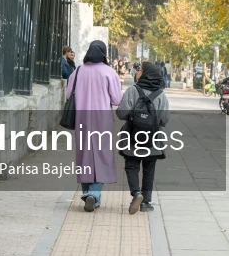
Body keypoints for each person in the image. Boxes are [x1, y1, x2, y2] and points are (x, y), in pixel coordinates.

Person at [65, 40, 123, 212]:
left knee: (84, 156)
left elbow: (68, 94)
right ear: (104, 53)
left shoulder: (78, 71)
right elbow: (117, 100)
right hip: (102, 120)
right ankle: (95, 194)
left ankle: (87, 193)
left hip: (81, 119)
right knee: (102, 155)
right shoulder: (109, 72)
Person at [116, 62, 170, 214]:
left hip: (133, 136)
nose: (136, 72)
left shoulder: (133, 90)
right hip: (153, 138)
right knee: (149, 168)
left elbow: (122, 113)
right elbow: (164, 120)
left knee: (131, 166)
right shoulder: (161, 95)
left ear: (146, 73)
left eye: (139, 70)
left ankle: (136, 193)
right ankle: (146, 202)